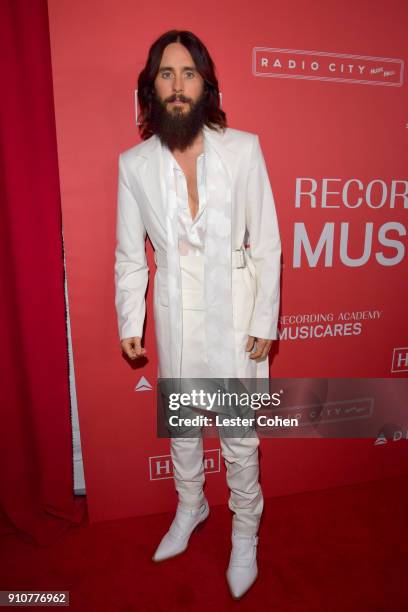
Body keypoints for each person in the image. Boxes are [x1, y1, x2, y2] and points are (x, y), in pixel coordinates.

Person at [114, 29, 281, 599]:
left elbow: (267, 243)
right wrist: (128, 324)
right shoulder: (134, 164)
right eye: (166, 74)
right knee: (183, 429)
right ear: (152, 88)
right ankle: (190, 510)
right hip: (176, 320)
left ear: (204, 84)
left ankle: (245, 530)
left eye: (188, 73)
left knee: (238, 435)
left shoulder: (243, 149)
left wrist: (264, 319)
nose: (177, 84)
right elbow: (129, 256)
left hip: (234, 317)